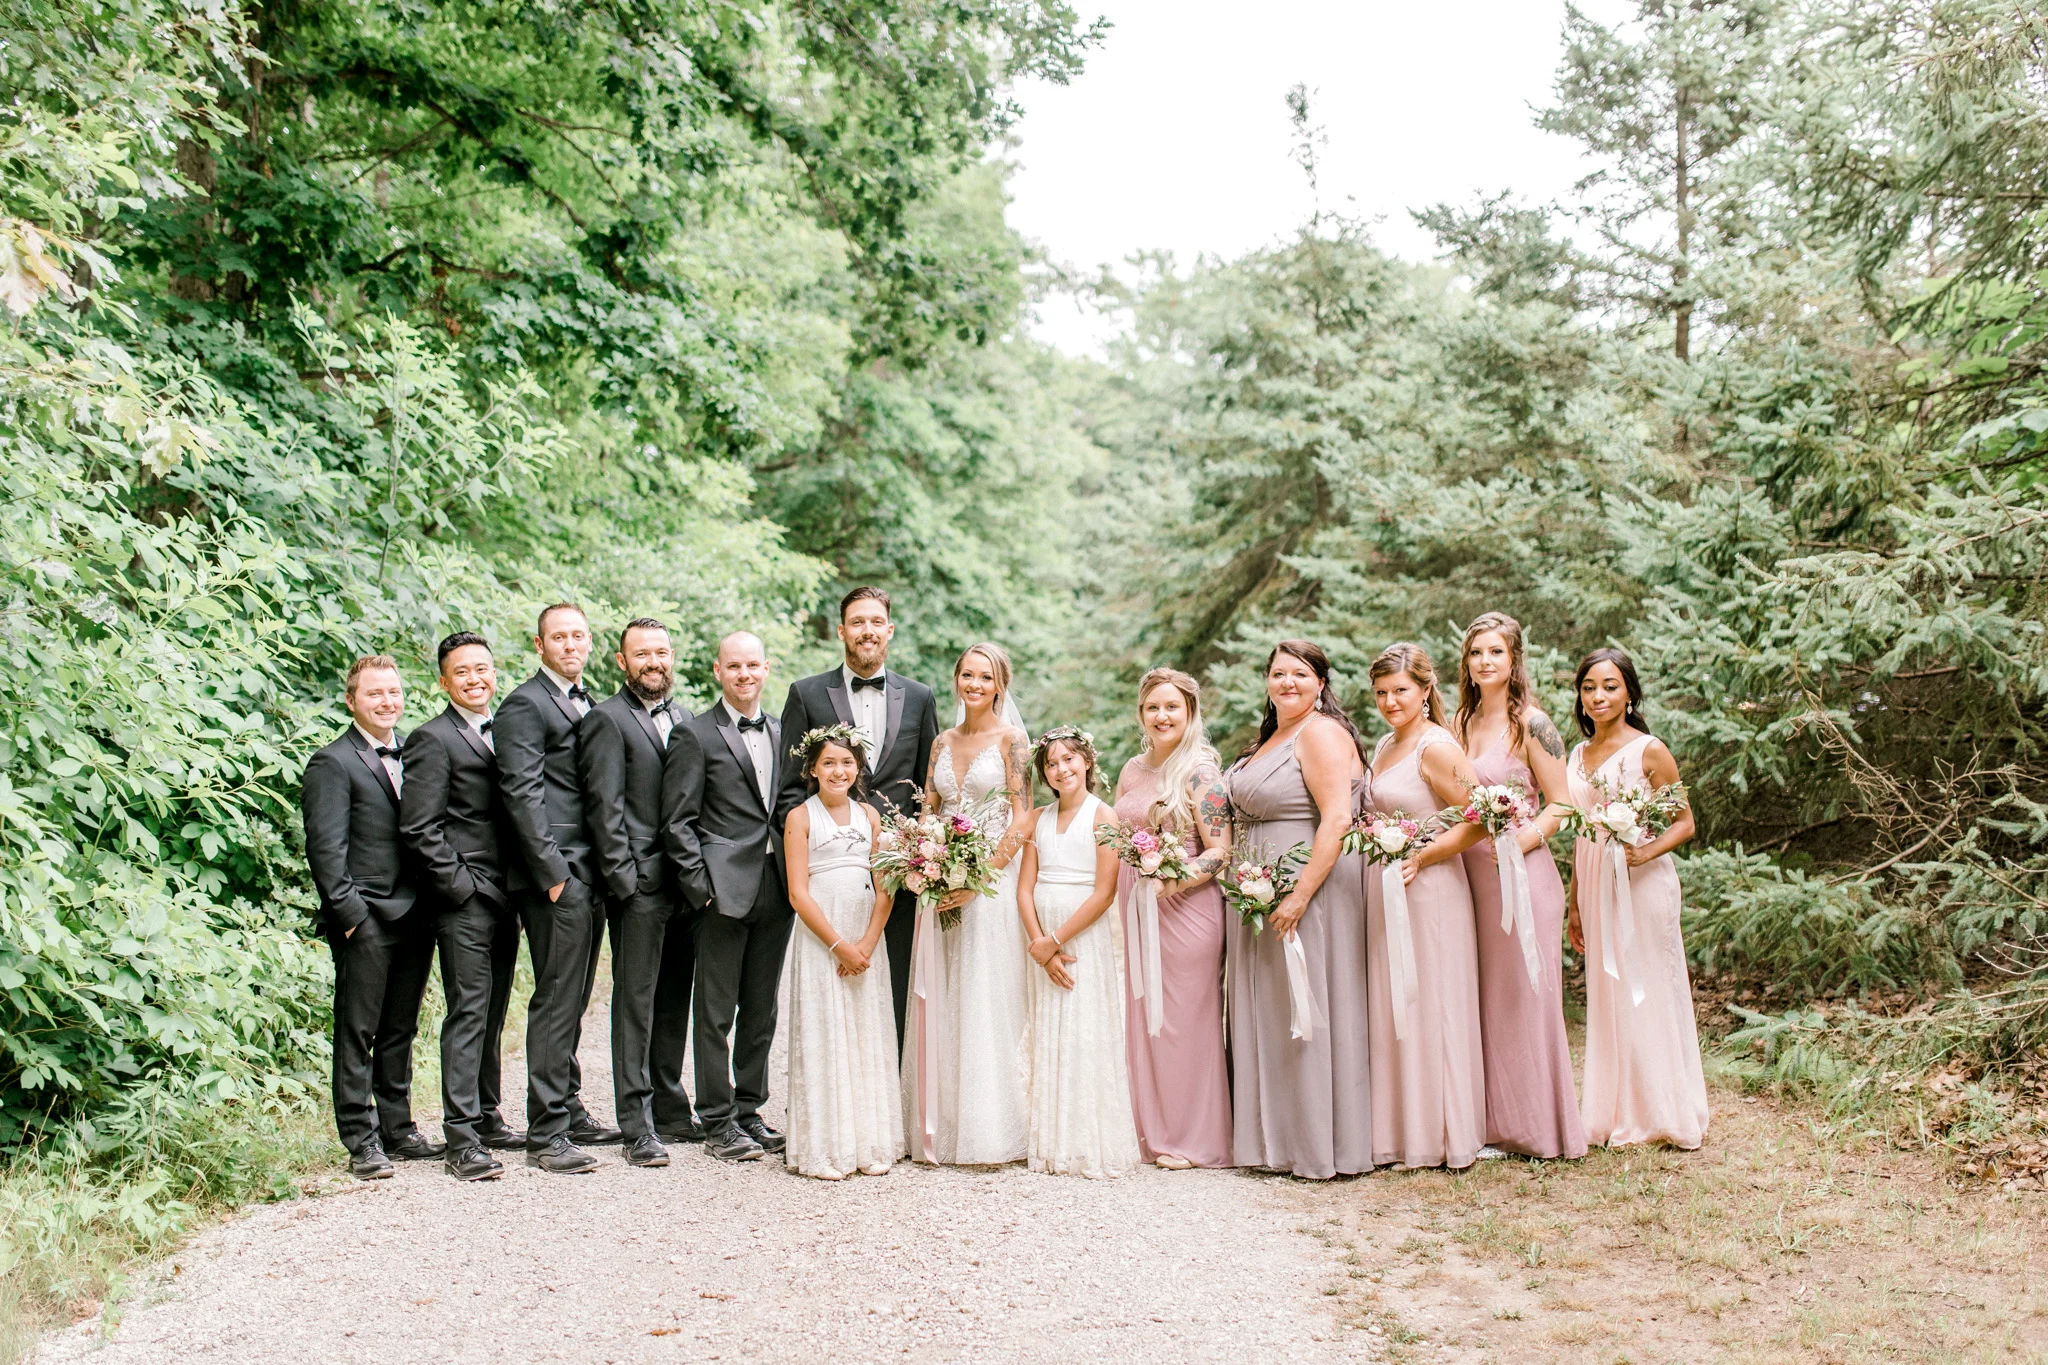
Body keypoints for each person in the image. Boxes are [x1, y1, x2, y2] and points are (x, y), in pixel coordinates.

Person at [1225, 640, 1372, 1179]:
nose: (1288, 683)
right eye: (1279, 674)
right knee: (1275, 1010)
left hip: (1312, 887)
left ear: (1321, 684)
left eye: (1301, 674)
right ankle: (1274, 1139)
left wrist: (1301, 892)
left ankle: (1316, 1142)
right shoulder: (1274, 737)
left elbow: (1336, 819)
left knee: (1307, 1004)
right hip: (1262, 888)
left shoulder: (1321, 734)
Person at [776, 586, 940, 1045]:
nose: (867, 631)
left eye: (875, 622)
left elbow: (930, 789)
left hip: (901, 876)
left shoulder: (920, 696)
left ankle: (893, 1106)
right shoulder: (806, 694)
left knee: (898, 992)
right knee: (829, 994)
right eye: (857, 622)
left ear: (889, 629)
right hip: (830, 878)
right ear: (843, 630)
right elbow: (790, 788)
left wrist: (921, 855)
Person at [1454, 613, 1588, 1161]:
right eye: (1475, 653)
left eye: (1495, 653)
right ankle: (1490, 1122)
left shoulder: (1533, 724)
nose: (1485, 662)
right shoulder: (1459, 721)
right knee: (1483, 997)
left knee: (1525, 997)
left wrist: (1521, 842)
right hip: (1471, 879)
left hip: (1523, 876)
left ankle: (1537, 1128)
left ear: (1514, 661)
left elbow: (1562, 803)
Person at [302, 655, 440, 1180]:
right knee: (358, 1030)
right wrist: (352, 916)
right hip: (366, 916)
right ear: (352, 700)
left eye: (394, 692)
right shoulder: (332, 763)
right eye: (375, 694)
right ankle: (361, 1139)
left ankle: (399, 1128)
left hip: (416, 913)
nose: (387, 702)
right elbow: (325, 850)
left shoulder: (414, 752)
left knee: (401, 1028)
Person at [1566, 648, 1709, 1150]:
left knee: (1646, 987)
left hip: (1642, 885)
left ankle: (1662, 1111)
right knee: (1608, 994)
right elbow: (1580, 833)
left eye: (1609, 686)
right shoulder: (1575, 755)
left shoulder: (1649, 750)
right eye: (1589, 688)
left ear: (1629, 692)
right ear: (1580, 697)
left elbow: (1685, 822)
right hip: (1593, 882)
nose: (1598, 696)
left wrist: (1643, 853)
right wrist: (1574, 903)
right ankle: (1613, 1109)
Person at [496, 602, 618, 1175]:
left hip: (591, 868)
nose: (570, 645)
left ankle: (567, 1107)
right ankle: (545, 1133)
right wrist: (551, 876)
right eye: (558, 637)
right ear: (539, 645)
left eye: (579, 636)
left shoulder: (586, 700)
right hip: (555, 875)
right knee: (555, 997)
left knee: (576, 994)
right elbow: (520, 794)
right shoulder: (523, 704)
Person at [901, 642, 1033, 1166]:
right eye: (966, 675)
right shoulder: (940, 742)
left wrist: (979, 878)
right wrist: (922, 858)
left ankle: (989, 1129)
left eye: (985, 677)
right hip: (938, 879)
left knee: (982, 996)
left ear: (999, 685)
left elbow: (1022, 818)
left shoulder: (1013, 741)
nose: (974, 685)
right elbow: (929, 811)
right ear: (956, 679)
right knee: (941, 991)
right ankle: (941, 1123)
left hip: (989, 884)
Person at [663, 631, 790, 1163]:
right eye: (734, 666)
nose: (744, 674)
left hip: (777, 886)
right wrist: (702, 890)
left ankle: (748, 1108)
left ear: (765, 670)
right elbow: (677, 822)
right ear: (718, 670)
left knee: (761, 1009)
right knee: (715, 1011)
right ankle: (715, 1119)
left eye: (753, 665)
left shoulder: (786, 732)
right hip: (721, 890)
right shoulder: (694, 735)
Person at [398, 632, 519, 1181]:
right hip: (464, 899)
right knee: (468, 1010)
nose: (475, 679)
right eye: (462, 672)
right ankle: (462, 1138)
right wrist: (463, 888)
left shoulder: (506, 734)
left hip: (508, 894)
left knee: (493, 1011)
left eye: (483, 669)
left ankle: (489, 1115)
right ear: (444, 682)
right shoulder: (431, 739)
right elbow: (419, 828)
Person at [1365, 643, 1489, 1171]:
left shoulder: (1436, 747)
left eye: (1400, 691)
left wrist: (1425, 853)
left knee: (1432, 1002)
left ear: (1425, 689)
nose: (1391, 702)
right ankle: (1399, 1130)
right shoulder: (1384, 745)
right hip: (1388, 890)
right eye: (1381, 694)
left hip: (1432, 890)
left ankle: (1442, 1133)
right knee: (1398, 1004)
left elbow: (1482, 816)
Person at [579, 617, 696, 1168]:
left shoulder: (685, 716)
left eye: (662, 653)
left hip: (685, 885)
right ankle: (636, 1123)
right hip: (639, 885)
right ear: (622, 662)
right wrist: (624, 881)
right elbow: (603, 808)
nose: (654, 662)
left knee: (674, 999)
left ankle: (671, 1106)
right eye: (642, 654)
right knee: (635, 1003)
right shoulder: (606, 720)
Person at [1111, 667, 1232, 1169]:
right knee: (1145, 1018)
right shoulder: (1131, 771)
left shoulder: (1201, 771)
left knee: (1184, 1021)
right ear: (1141, 714)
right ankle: (1150, 1130)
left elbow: (1220, 849)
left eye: (1172, 707)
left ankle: (1192, 1137)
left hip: (1188, 911)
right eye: (1153, 707)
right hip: (1139, 911)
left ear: (1190, 712)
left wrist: (1172, 881)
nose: (1162, 716)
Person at [781, 725, 902, 1180]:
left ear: (858, 768)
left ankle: (869, 1141)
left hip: (866, 933)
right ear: (812, 769)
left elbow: (884, 881)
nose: (838, 770)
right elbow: (797, 892)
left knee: (865, 1031)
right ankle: (826, 1147)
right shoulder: (801, 818)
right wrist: (837, 945)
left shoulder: (870, 816)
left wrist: (868, 941)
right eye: (829, 762)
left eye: (847, 762)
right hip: (822, 937)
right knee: (826, 1031)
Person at [1019, 727, 1140, 1179]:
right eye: (1051, 763)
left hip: (1080, 939)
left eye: (1069, 759)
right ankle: (1051, 1139)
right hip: (1043, 941)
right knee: (1049, 1030)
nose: (1060, 769)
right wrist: (1039, 945)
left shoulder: (1103, 816)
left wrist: (1057, 940)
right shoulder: (1038, 818)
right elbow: (1024, 886)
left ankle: (1086, 1139)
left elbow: (1104, 892)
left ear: (1087, 761)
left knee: (1083, 1029)